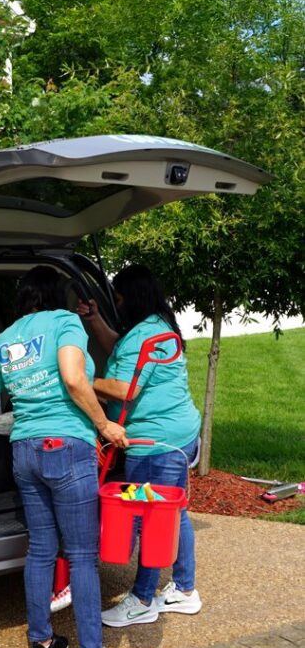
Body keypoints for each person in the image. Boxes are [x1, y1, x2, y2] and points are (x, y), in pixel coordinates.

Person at [0, 266, 129, 648]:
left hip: (25, 451)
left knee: (41, 550)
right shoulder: (65, 323)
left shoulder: (6, 338)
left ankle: (42, 642)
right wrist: (104, 425)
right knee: (82, 555)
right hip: (66, 447)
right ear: (57, 295)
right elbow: (73, 378)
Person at [78, 264, 202, 627]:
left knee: (152, 519)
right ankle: (184, 589)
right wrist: (96, 320)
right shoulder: (157, 327)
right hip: (180, 434)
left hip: (156, 445)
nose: (116, 305)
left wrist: (81, 379)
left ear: (132, 298)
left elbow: (124, 389)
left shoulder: (144, 336)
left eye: (117, 299)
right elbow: (121, 351)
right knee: (173, 513)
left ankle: (143, 599)